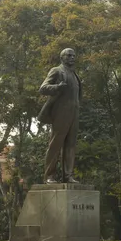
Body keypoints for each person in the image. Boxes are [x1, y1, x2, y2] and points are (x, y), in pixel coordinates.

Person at [37, 48, 81, 184]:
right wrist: (57, 87)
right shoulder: (56, 70)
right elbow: (43, 88)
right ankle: (49, 176)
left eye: (73, 55)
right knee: (55, 144)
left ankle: (68, 175)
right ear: (62, 58)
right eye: (69, 55)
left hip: (74, 112)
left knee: (71, 145)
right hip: (61, 112)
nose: (72, 57)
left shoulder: (74, 74)